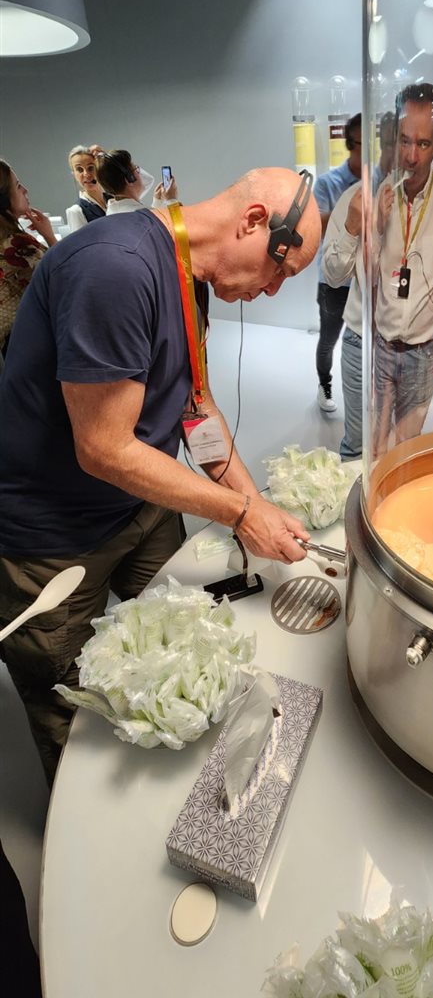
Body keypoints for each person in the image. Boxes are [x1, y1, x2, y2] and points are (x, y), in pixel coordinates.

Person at [0, 167, 320, 783]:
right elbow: (105, 449)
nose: (275, 290)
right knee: (79, 717)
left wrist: (255, 501)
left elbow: (195, 408)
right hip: (53, 539)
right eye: (281, 268)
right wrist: (240, 514)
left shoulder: (187, 273)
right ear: (254, 221)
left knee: (181, 646)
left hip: (138, 508)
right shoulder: (115, 268)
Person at [324, 83, 433, 457]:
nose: (410, 155)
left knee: (404, 453)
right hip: (373, 342)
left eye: (423, 144)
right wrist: (362, 227)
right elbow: (336, 276)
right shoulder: (361, 198)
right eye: (404, 141)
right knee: (363, 449)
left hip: (423, 350)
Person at [314, 113, 362, 412]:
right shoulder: (328, 183)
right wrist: (351, 208)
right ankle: (325, 384)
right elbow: (315, 228)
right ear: (349, 144)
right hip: (335, 281)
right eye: (361, 144)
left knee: (363, 341)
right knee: (330, 337)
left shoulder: (385, 183)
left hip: (369, 280)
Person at [0, 160, 56, 356]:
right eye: (17, 186)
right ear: (4, 199)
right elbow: (65, 276)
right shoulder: (15, 244)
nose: (25, 189)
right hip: (18, 346)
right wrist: (49, 236)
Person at [92, 147, 178, 214]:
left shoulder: (113, 210)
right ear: (129, 179)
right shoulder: (139, 214)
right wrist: (171, 200)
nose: (139, 172)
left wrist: (157, 202)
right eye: (135, 169)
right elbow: (174, 230)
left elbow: (154, 219)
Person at [66, 144, 109, 227]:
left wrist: (107, 160)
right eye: (79, 169)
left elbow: (139, 187)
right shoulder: (76, 211)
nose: (86, 174)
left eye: (91, 168)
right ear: (74, 174)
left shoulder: (114, 199)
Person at [372, 111, 397, 194]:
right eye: (390, 144)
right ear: (381, 144)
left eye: (396, 144)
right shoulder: (372, 182)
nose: (394, 151)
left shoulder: (402, 179)